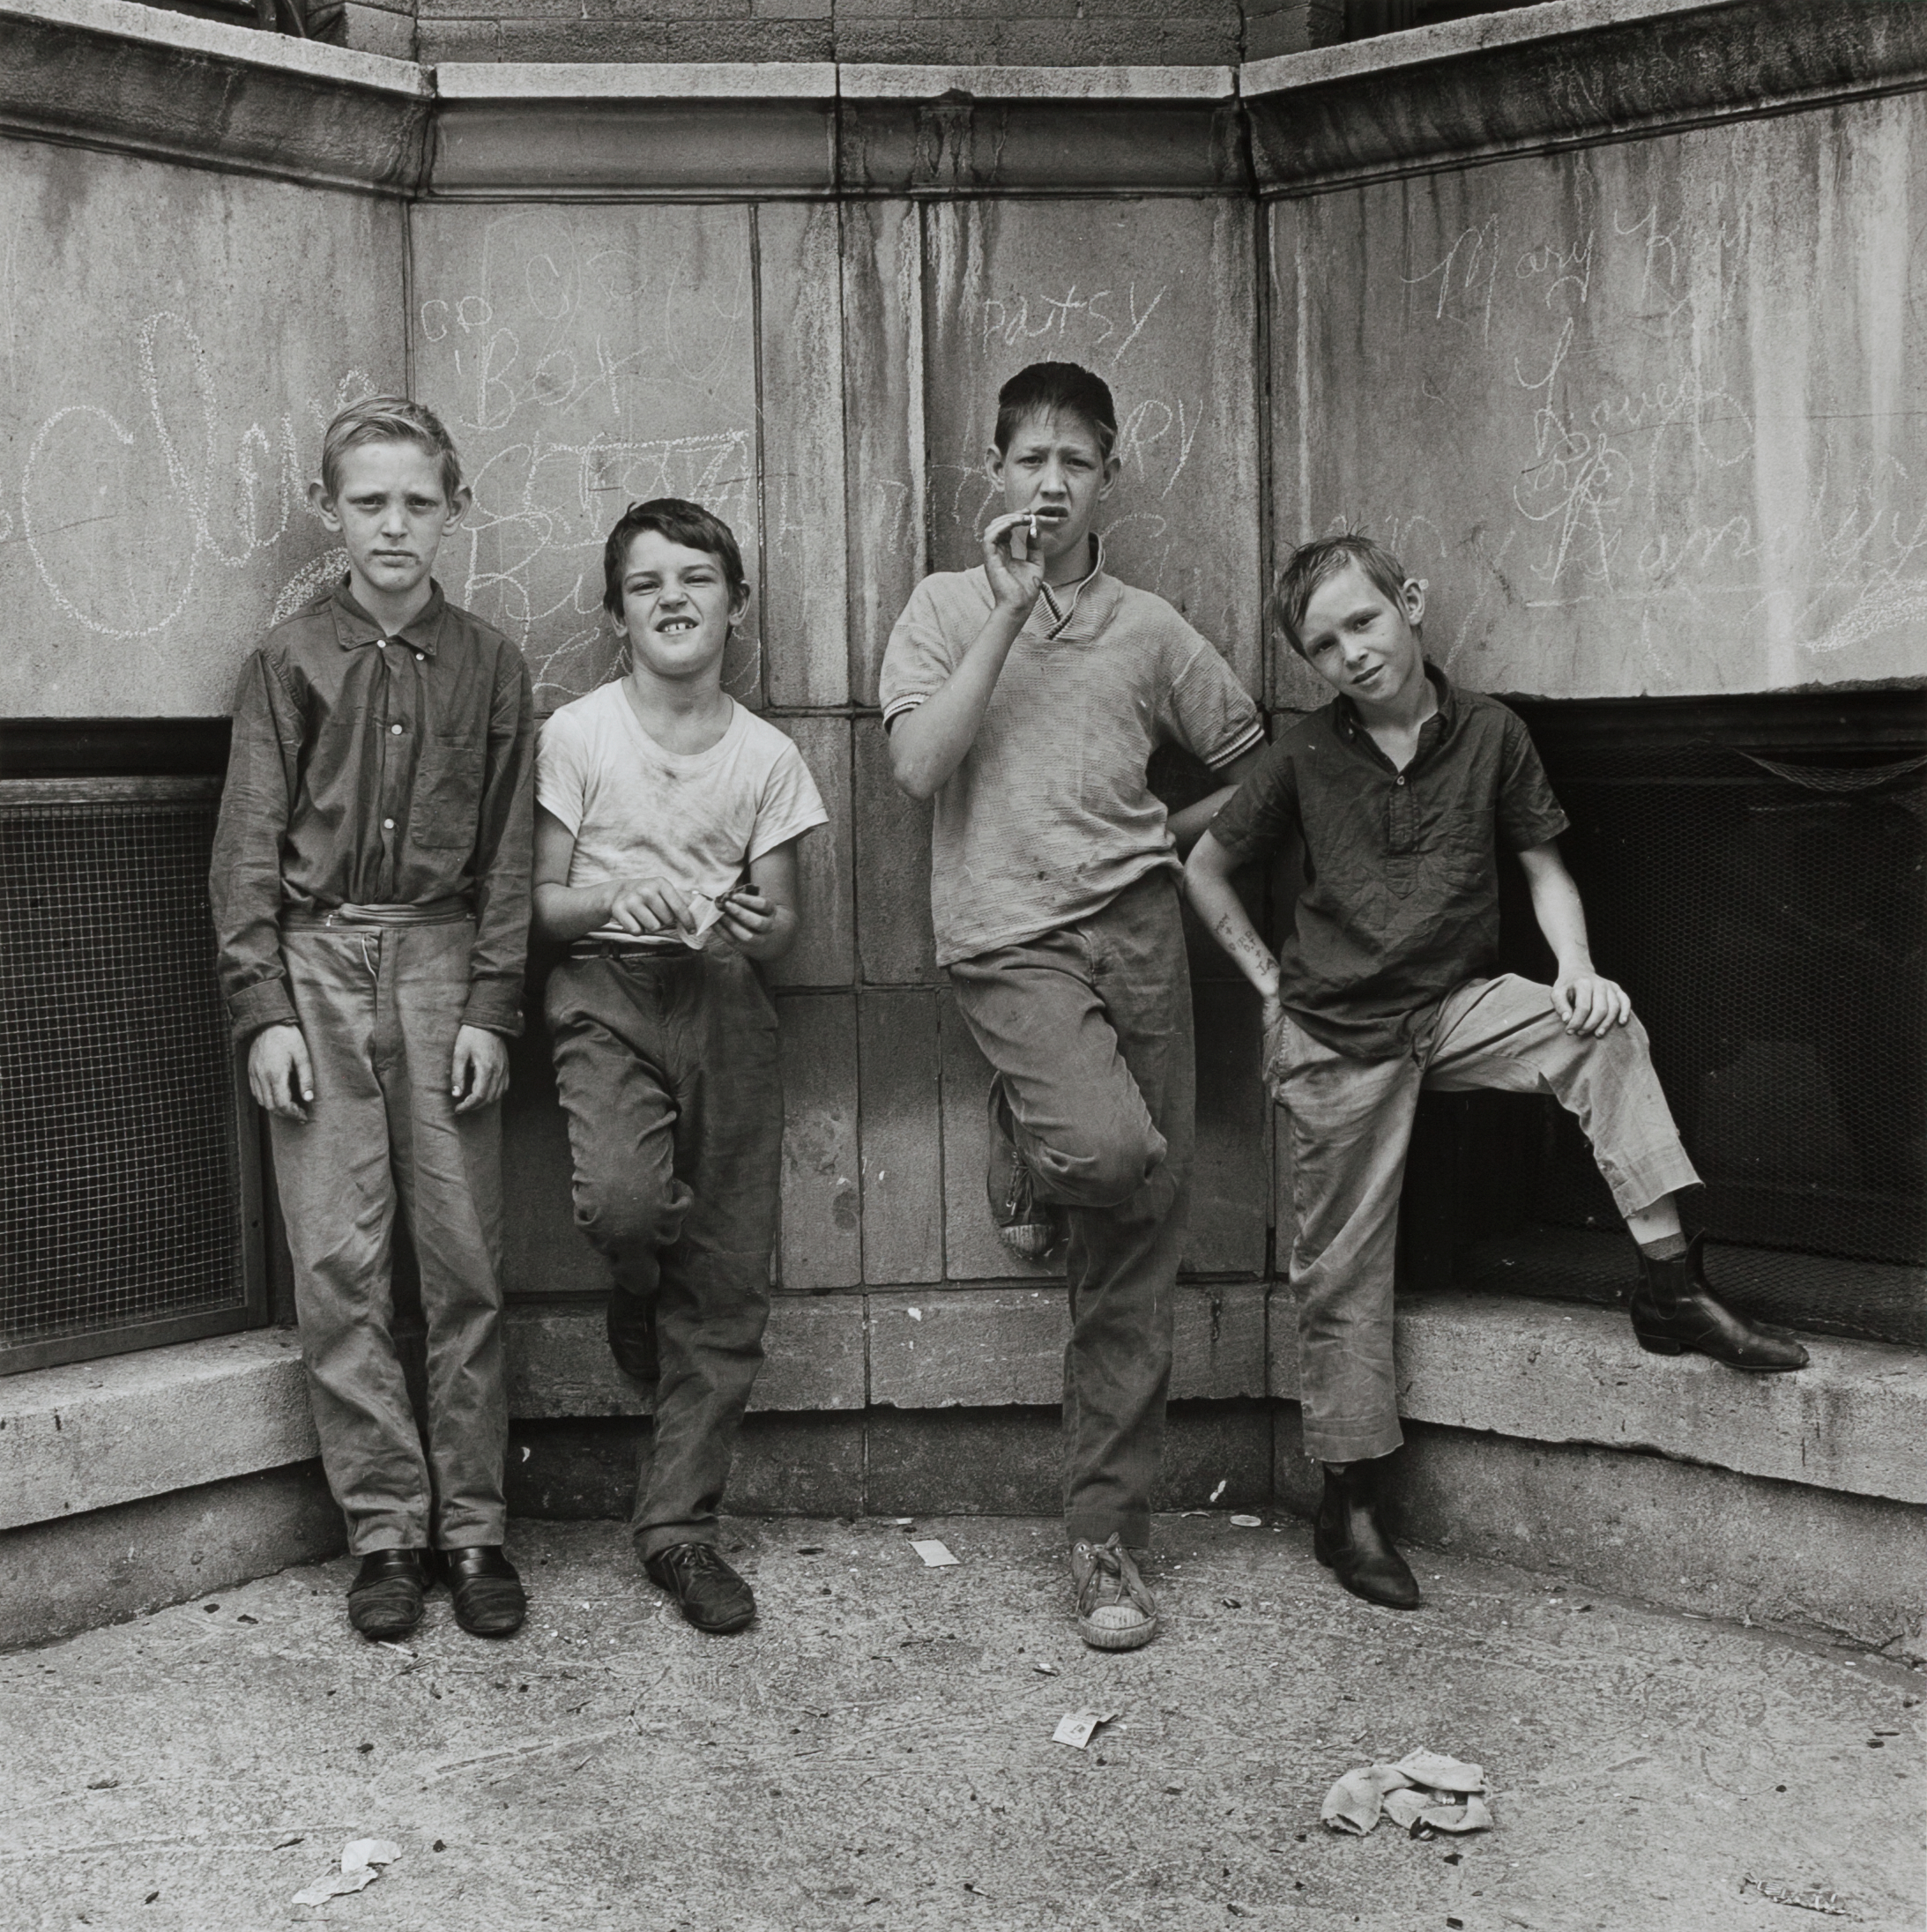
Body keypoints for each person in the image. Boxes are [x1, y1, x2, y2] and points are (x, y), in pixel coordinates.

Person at [1185, 533, 1809, 1612]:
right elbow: (1202, 865)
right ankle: (1351, 1504)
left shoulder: (1491, 734)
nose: (1351, 654)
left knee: (1601, 1032)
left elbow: (1541, 864)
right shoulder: (1300, 754)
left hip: (1453, 1006)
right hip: (1336, 1033)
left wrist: (1574, 968)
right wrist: (1267, 986)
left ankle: (1669, 1287)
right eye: (1324, 645)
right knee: (1337, 1268)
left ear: (1410, 603)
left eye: (1364, 622)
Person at [881, 361, 1268, 1652]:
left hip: (1142, 936)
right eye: (1028, 458)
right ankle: (1037, 1125)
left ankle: (1104, 1542)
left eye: (1076, 462)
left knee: (1138, 1243)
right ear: (992, 472)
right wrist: (1009, 609)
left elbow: (1258, 764)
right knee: (1106, 1150)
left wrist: (1170, 835)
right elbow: (918, 765)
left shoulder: (1151, 630)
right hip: (1005, 936)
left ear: (1109, 478)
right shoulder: (940, 607)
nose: (1050, 482)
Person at [210, 396, 535, 1643]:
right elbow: (244, 850)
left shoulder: (493, 665)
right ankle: (387, 1531)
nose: (393, 526)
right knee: (339, 1267)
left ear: (455, 509)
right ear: (327, 509)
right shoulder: (287, 661)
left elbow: (507, 853)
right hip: (317, 965)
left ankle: (475, 1530)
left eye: (417, 501)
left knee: (463, 1263)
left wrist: (493, 1006)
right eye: (368, 502)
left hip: (445, 963)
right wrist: (265, 1011)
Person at [533, 498, 826, 1635]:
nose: (673, 596)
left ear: (734, 605)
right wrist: (615, 895)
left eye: (697, 576)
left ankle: (678, 1531)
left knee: (727, 1273)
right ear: (616, 615)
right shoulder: (580, 733)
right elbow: (544, 909)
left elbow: (783, 922)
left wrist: (753, 922)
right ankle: (630, 1281)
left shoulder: (768, 755)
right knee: (622, 1202)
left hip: (721, 999)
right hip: (603, 985)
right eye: (646, 581)